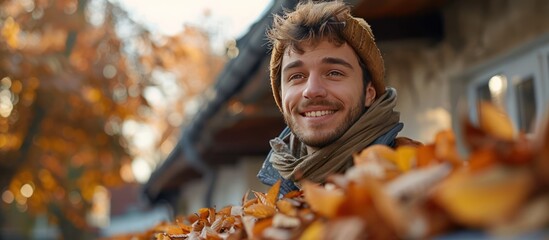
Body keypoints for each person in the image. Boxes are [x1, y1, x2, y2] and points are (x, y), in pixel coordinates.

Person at [257, 0, 421, 194]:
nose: (312, 90)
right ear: (282, 97)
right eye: (297, 76)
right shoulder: (280, 197)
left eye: (334, 73)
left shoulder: (417, 176)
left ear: (369, 93)